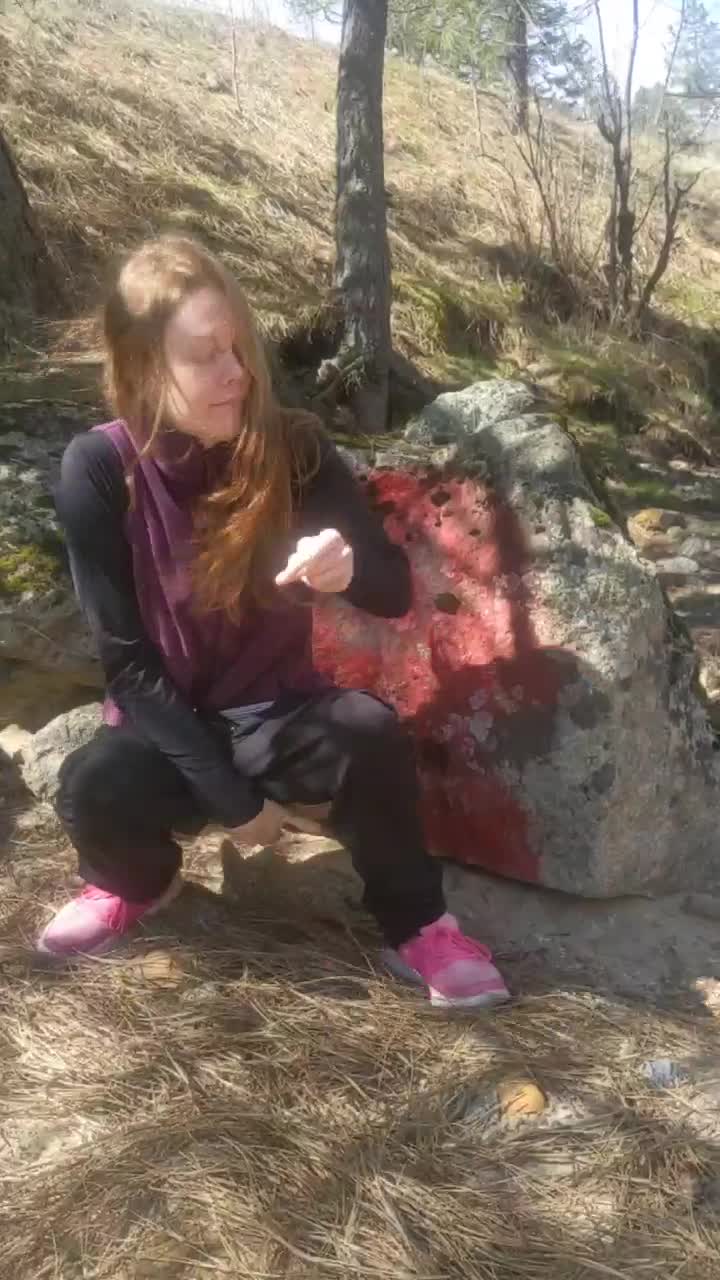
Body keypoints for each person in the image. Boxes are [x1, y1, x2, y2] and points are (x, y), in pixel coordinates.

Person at [39, 235, 509, 1010]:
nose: (237, 372)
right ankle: (134, 883)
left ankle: (419, 925)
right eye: (205, 356)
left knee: (368, 733)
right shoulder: (97, 469)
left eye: (238, 347)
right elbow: (128, 664)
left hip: (280, 716)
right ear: (144, 368)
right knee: (92, 785)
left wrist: (348, 569)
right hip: (164, 726)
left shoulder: (293, 448)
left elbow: (392, 591)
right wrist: (236, 804)